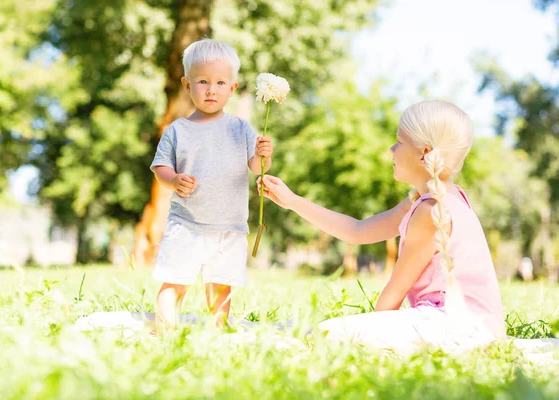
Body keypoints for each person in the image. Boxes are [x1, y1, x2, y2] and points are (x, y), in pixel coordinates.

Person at [257, 101, 505, 351]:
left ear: (424, 153)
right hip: (467, 327)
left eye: (399, 142)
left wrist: (369, 331)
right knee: (320, 330)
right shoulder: (434, 199)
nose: (391, 149)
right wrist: (292, 201)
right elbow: (357, 231)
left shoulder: (430, 212)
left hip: (457, 329)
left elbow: (394, 293)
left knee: (324, 334)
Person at [150, 38, 273, 331]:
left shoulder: (241, 128)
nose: (210, 89)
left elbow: (256, 167)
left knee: (220, 287)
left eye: (220, 83)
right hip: (187, 223)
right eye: (202, 81)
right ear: (186, 84)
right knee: (175, 281)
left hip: (229, 226)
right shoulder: (178, 130)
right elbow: (160, 168)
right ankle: (165, 329)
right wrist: (174, 179)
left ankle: (219, 331)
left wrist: (263, 154)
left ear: (232, 88)